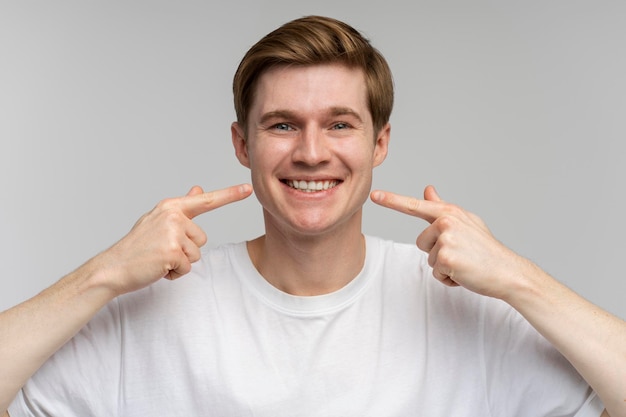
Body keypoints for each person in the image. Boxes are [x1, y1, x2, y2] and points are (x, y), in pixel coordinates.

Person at [1, 15, 624, 417]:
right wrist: (103, 274)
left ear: (379, 143)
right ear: (243, 145)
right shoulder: (145, 310)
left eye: (339, 124)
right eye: (281, 125)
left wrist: (518, 278)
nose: (310, 152)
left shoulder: (468, 308)